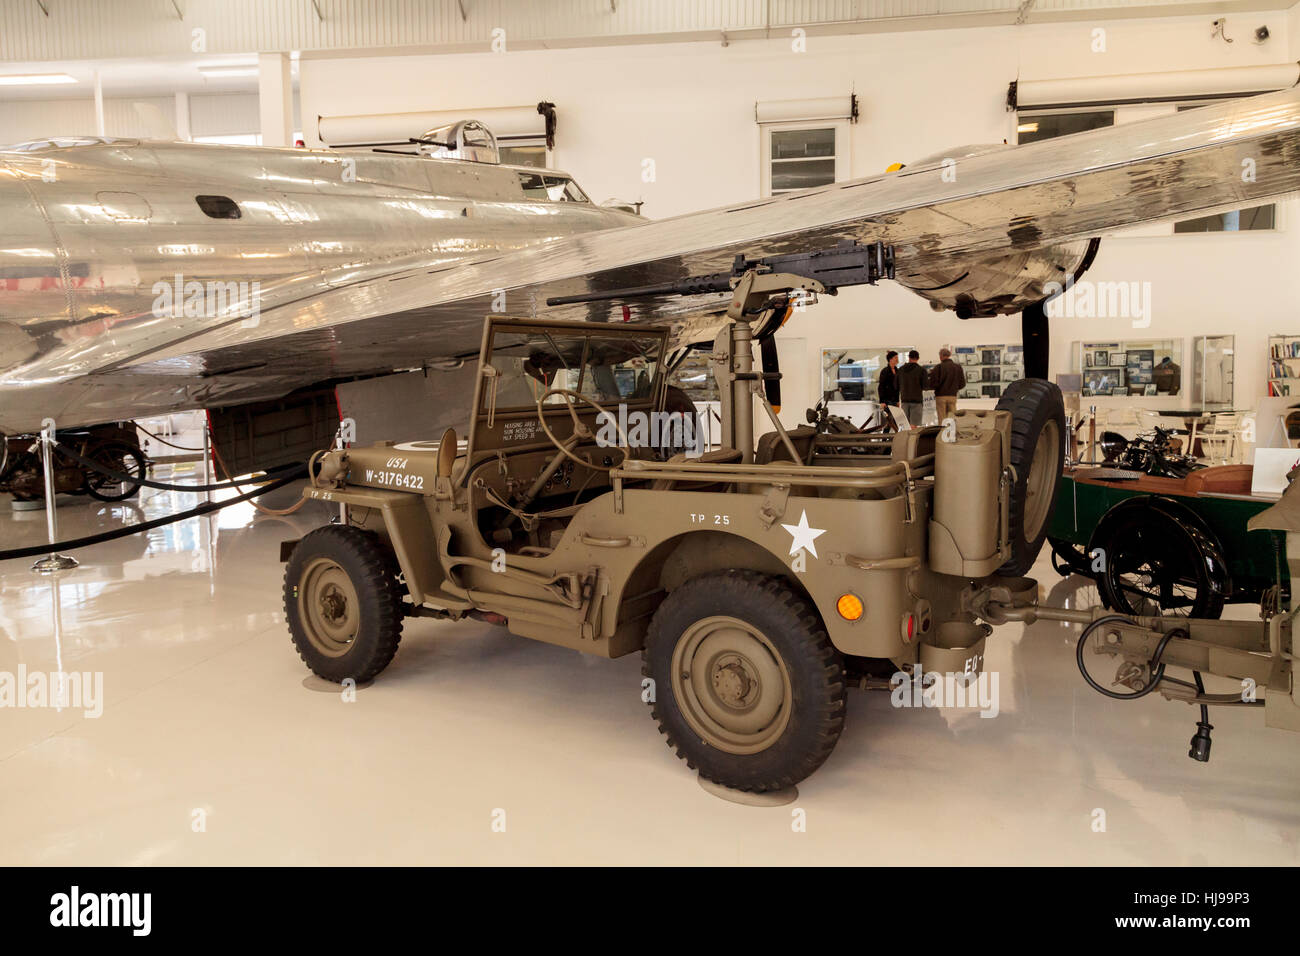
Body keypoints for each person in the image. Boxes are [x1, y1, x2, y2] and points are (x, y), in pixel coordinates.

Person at [929, 347, 966, 421]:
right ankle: (952, 432)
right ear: (949, 355)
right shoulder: (958, 367)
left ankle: (943, 432)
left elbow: (933, 383)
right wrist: (954, 388)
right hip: (953, 396)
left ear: (941, 356)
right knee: (952, 418)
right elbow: (962, 383)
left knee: (942, 418)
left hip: (941, 396)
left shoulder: (938, 367)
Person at [896, 349, 926, 426]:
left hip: (904, 400)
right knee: (914, 426)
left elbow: (896, 385)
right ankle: (912, 438)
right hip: (917, 401)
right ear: (918, 358)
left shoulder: (901, 369)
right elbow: (925, 386)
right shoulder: (921, 370)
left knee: (905, 425)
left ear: (909, 358)